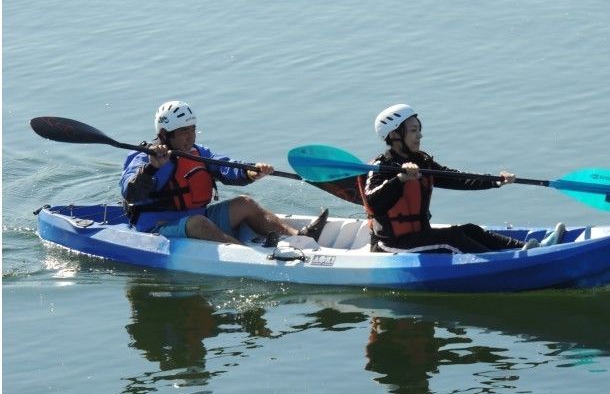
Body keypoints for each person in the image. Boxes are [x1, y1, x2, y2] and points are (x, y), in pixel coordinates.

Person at [358, 104, 565, 253]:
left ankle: (530, 250)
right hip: (391, 244)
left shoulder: (422, 162)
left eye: (419, 130)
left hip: (419, 236)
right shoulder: (379, 168)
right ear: (394, 135)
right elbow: (373, 202)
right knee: (452, 238)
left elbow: (457, 178)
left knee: (469, 230)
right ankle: (501, 263)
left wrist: (495, 180)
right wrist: (400, 179)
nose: (419, 135)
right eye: (413, 130)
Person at [120, 101, 327, 244]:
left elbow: (226, 166)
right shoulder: (143, 158)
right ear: (165, 134)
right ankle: (246, 254)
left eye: (192, 129)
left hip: (198, 216)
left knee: (245, 203)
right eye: (184, 131)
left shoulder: (198, 152)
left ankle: (299, 237)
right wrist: (152, 168)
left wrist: (250, 172)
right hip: (158, 227)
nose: (191, 136)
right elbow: (130, 193)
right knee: (199, 223)